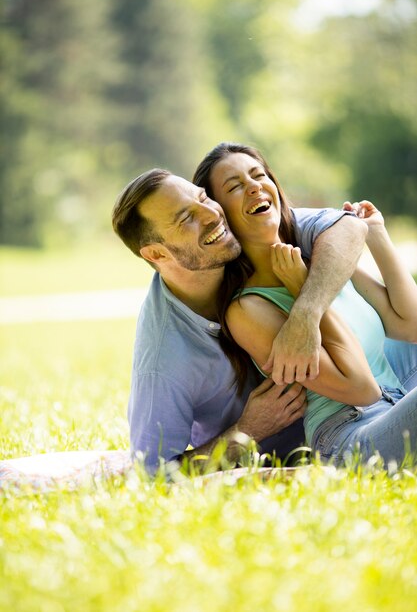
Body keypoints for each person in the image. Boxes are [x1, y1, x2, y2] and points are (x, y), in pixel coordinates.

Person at [111, 160, 368, 473]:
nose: (212, 214)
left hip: (372, 403)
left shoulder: (236, 240)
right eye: (187, 218)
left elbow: (348, 226)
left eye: (203, 198)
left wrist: (306, 313)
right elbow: (153, 472)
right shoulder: (163, 361)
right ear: (157, 255)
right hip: (330, 442)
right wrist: (245, 431)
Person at [193, 141, 417, 467]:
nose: (254, 187)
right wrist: (301, 291)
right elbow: (362, 389)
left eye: (259, 175)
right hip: (350, 435)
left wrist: (377, 236)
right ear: (220, 213)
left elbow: (409, 326)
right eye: (235, 186)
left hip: (398, 399)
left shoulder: (322, 258)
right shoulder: (247, 311)